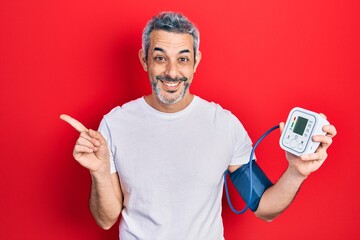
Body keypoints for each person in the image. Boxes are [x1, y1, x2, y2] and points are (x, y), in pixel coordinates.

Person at [60, 11, 337, 240]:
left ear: (196, 62)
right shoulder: (114, 123)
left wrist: (297, 172)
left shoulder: (225, 125)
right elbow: (106, 219)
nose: (172, 71)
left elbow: (264, 207)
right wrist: (98, 171)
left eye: (183, 58)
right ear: (144, 60)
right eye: (159, 58)